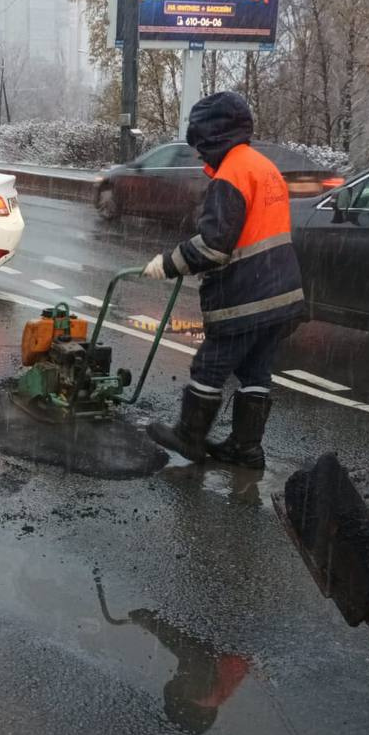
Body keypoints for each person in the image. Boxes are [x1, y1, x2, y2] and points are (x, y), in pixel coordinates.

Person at [144, 91, 305, 468]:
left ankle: (189, 436)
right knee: (254, 370)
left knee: (209, 367)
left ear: (213, 136)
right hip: (281, 293)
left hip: (245, 297)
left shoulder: (231, 175)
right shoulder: (263, 168)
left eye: (200, 143)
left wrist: (168, 264)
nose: (199, 153)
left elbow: (215, 246)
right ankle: (246, 448)